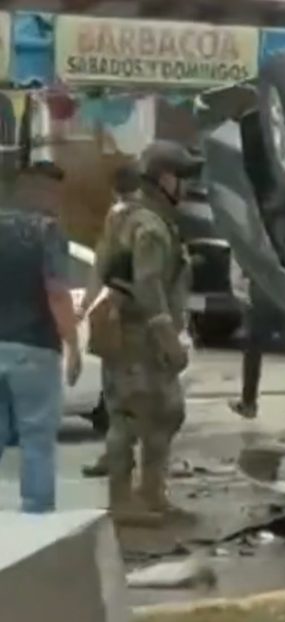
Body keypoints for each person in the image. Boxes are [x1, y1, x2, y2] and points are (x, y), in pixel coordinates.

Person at [97, 140, 199, 525]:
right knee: (135, 416)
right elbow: (148, 281)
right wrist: (166, 335)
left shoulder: (126, 216)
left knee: (159, 414)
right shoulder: (150, 226)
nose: (187, 188)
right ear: (165, 179)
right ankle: (126, 499)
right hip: (141, 337)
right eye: (183, 178)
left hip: (126, 332)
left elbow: (105, 269)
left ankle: (150, 493)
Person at [0, 158, 82, 513]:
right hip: (35, 347)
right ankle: (36, 511)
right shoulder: (48, 232)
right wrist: (73, 345)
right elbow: (56, 293)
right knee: (37, 437)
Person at [78, 163, 141, 478]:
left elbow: (101, 266)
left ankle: (118, 455)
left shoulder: (117, 218)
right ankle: (131, 456)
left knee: (117, 394)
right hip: (147, 317)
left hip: (123, 316)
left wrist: (86, 306)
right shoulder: (155, 218)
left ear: (115, 190)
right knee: (141, 394)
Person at [228, 258, 285, 425]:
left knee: (253, 348)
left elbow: (240, 262)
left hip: (262, 290)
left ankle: (249, 403)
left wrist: (242, 293)